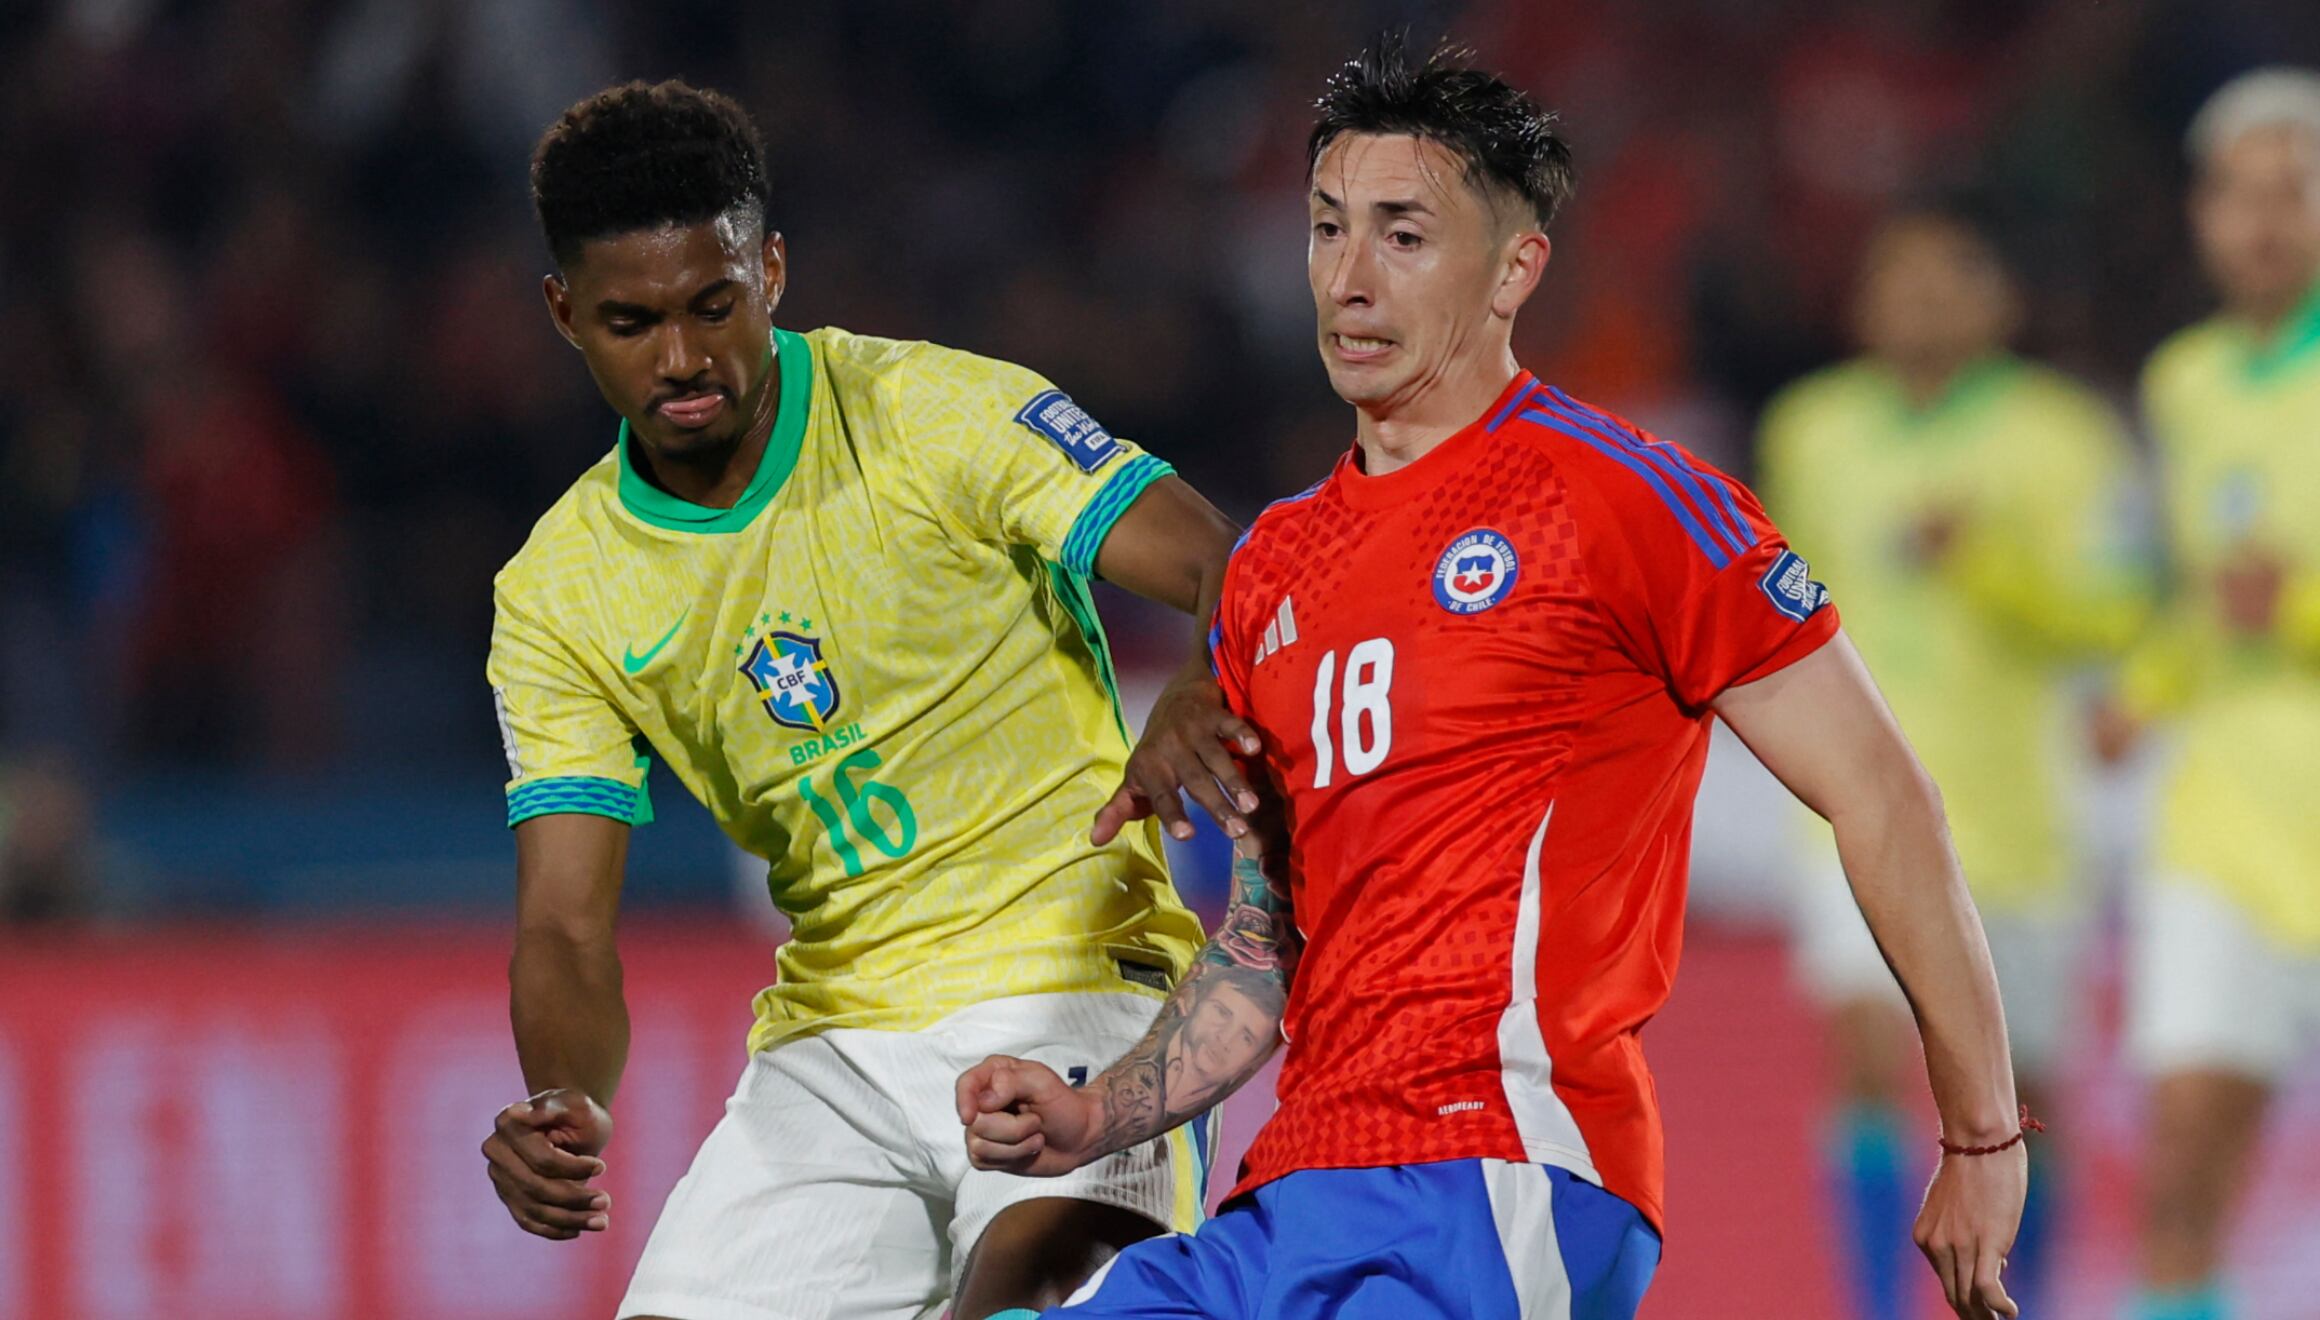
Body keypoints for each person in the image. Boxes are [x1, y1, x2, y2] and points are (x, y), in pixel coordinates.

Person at [958, 37, 2029, 1320]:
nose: (1347, 280)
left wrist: (1980, 1136)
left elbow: (1882, 796)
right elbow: (1263, 947)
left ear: (1516, 269)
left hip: (1503, 1177)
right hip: (1289, 1195)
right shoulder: (1270, 572)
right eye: (1324, 228)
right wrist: (1095, 1112)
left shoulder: (1625, 500)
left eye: (1402, 236)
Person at [478, 80, 1267, 1320]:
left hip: (1083, 990)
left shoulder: (933, 415)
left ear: (772, 269)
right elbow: (568, 928)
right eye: (632, 323)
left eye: (712, 306)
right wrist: (568, 1097)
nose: (681, 359)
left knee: (1023, 1298)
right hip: (831, 1050)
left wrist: (1209, 678)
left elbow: (1230, 566)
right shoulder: (556, 592)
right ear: (563, 311)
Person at [1756, 207, 2147, 1320]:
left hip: (2012, 820)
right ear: (1862, 301)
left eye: (1946, 278)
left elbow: (2116, 613)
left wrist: (1992, 563)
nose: (1918, 300)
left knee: (2027, 1095)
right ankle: (1872, 1306)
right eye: (1897, 279)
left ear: (1997, 301)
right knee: (1867, 1045)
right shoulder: (1811, 430)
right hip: (1850, 805)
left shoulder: (2064, 439)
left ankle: (2030, 1299)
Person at [2113, 67, 2320, 1320]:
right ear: (2198, 214)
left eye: (2290, 192)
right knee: (2183, 1162)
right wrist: (2141, 687)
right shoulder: (2181, 382)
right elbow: (2195, 597)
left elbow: (2263, 599)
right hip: (2222, 816)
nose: (2261, 221)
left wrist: (2290, 610)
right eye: (2236, 195)